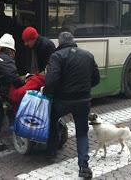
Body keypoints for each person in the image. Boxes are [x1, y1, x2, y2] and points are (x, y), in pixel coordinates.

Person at [44, 32, 100, 179]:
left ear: (60, 42)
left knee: (53, 120)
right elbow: (96, 79)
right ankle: (84, 166)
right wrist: (84, 90)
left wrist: (49, 93)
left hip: (63, 100)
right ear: (73, 41)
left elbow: (51, 80)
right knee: (82, 133)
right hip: (83, 101)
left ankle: (51, 152)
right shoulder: (88, 55)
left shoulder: (57, 56)